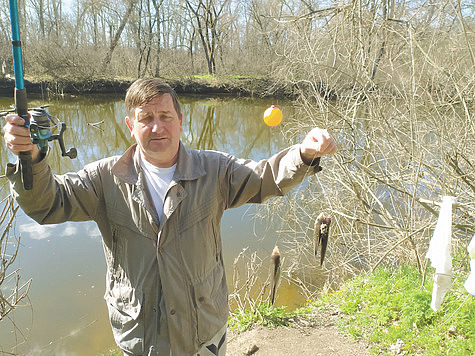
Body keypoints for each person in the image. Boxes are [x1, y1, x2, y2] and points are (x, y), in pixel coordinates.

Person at [3, 78, 337, 355]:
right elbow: (47, 204)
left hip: (204, 328)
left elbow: (265, 177)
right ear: (131, 126)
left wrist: (303, 153)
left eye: (165, 115)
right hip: (142, 338)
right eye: (146, 118)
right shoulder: (104, 178)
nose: (157, 126)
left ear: (181, 120)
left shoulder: (215, 170)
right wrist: (31, 158)